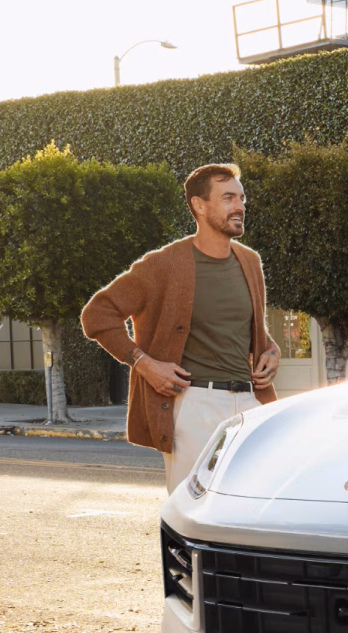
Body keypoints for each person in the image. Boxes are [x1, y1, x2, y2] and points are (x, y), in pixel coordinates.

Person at [81, 163, 280, 492]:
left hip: (248, 404)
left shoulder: (249, 261)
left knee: (249, 505)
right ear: (199, 206)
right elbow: (98, 314)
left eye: (242, 198)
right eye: (228, 198)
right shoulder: (164, 264)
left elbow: (250, 329)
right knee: (194, 511)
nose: (240, 206)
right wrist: (143, 363)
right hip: (194, 405)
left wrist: (271, 352)